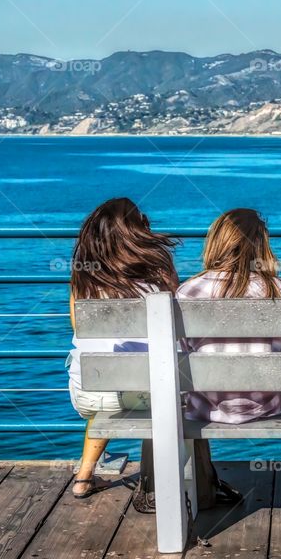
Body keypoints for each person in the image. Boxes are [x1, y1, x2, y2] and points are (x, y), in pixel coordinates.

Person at [66, 197, 179, 498]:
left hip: (87, 392)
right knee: (164, 389)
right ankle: (161, 481)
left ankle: (84, 477)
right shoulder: (159, 271)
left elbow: (78, 327)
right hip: (146, 394)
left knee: (108, 385)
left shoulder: (82, 277)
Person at [177, 208, 281, 423]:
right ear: (262, 246)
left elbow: (186, 349)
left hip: (207, 405)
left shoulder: (188, 292)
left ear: (216, 243)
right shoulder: (278, 291)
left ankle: (202, 459)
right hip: (270, 405)